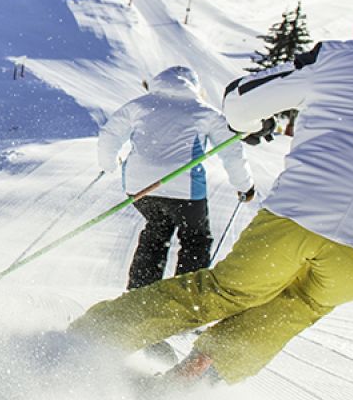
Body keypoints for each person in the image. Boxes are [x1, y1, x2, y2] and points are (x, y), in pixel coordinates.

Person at [70, 0, 353, 385]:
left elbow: (240, 101)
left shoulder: (339, 57)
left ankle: (82, 345)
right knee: (298, 306)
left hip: (302, 214)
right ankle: (201, 374)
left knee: (222, 292)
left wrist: (251, 120)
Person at [96, 66, 255, 289]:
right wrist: (244, 186)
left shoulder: (140, 105)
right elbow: (232, 152)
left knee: (157, 231)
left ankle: (138, 296)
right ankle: (183, 298)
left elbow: (110, 134)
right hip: (184, 189)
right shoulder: (204, 111)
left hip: (140, 186)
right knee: (195, 239)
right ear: (195, 87)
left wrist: (107, 163)